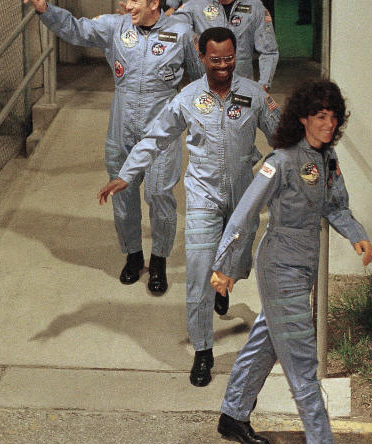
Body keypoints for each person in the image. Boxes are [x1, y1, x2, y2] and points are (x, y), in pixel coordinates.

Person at [98, 27, 280, 388]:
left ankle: (224, 285)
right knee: (198, 276)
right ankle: (202, 350)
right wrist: (126, 173)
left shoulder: (255, 95)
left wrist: (316, 161)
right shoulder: (187, 98)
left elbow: (283, 138)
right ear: (201, 57)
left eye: (229, 59)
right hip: (203, 197)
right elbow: (155, 137)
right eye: (216, 60)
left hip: (244, 200)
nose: (224, 66)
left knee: (237, 264)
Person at [210, 80, 372, 444]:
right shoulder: (281, 160)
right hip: (280, 262)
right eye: (320, 117)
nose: (328, 124)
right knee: (301, 357)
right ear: (303, 119)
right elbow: (245, 214)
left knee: (270, 337)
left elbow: (336, 206)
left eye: (333, 117)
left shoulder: (328, 160)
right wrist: (227, 265)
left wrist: (358, 236)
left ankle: (233, 414)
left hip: (304, 265)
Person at [24, 0, 189, 294]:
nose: (128, 6)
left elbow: (199, 75)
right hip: (121, 127)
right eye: (127, 0)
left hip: (161, 131)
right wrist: (46, 11)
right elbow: (77, 29)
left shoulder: (179, 34)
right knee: (123, 197)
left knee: (159, 196)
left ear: (154, 3)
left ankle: (159, 261)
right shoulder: (117, 27)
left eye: (134, 0)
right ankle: (132, 256)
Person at [172, 0, 278, 89]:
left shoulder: (255, 8)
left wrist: (264, 85)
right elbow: (172, 28)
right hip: (204, 91)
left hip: (241, 89)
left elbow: (269, 51)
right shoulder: (196, 5)